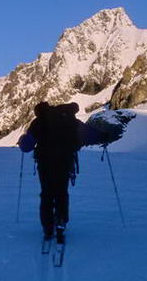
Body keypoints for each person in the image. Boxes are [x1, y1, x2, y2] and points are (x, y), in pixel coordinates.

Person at [17, 101, 105, 244]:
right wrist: (104, 136)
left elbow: (27, 146)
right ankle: (60, 222)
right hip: (65, 161)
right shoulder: (69, 120)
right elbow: (88, 134)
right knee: (61, 192)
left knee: (46, 193)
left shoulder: (39, 122)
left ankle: (48, 227)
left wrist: (21, 141)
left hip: (45, 162)